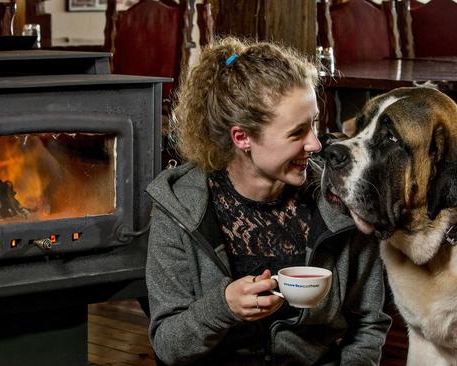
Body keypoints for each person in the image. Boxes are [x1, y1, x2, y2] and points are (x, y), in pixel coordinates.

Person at [145, 37, 391, 366]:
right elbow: (168, 344)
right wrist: (222, 308)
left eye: (314, 124)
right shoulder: (178, 208)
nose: (315, 144)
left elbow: (369, 324)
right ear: (242, 137)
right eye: (297, 133)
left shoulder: (339, 199)